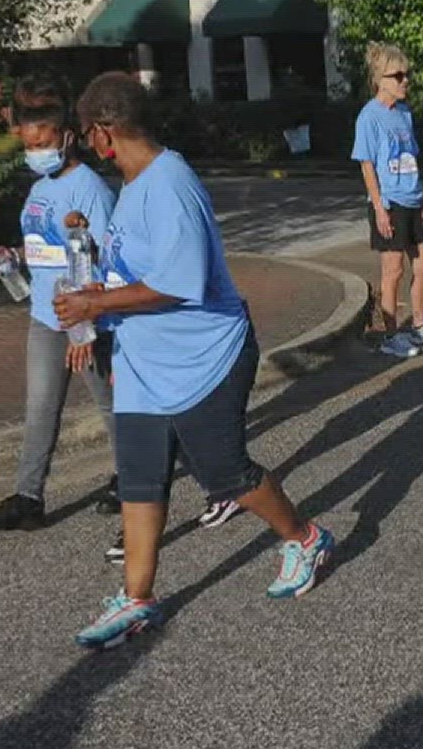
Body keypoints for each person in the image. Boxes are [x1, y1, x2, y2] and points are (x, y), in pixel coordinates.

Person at [55, 73, 334, 649]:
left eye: (86, 135)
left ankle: (304, 538)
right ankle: (136, 599)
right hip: (142, 361)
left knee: (225, 472)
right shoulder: (133, 186)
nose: (87, 147)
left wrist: (96, 302)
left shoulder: (171, 183)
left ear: (105, 133)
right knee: (138, 479)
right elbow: (129, 272)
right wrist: (95, 317)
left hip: (207, 355)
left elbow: (180, 283)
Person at [0, 78, 119, 531]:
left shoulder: (90, 189)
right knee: (40, 407)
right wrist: (13, 257)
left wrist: (85, 329)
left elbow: (102, 261)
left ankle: (133, 478)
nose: (36, 150)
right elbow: (46, 244)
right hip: (44, 315)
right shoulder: (39, 191)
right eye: (29, 142)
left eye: (44, 141)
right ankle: (28, 497)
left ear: (67, 136)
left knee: (111, 404)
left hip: (86, 318)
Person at [353, 42, 423, 359]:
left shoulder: (404, 113)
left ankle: (419, 324)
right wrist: (379, 208)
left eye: (407, 74)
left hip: (412, 200)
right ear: (381, 79)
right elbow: (367, 165)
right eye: (399, 75)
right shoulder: (369, 117)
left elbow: (410, 157)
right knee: (393, 272)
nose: (406, 80)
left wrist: (422, 198)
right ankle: (391, 335)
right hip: (389, 203)